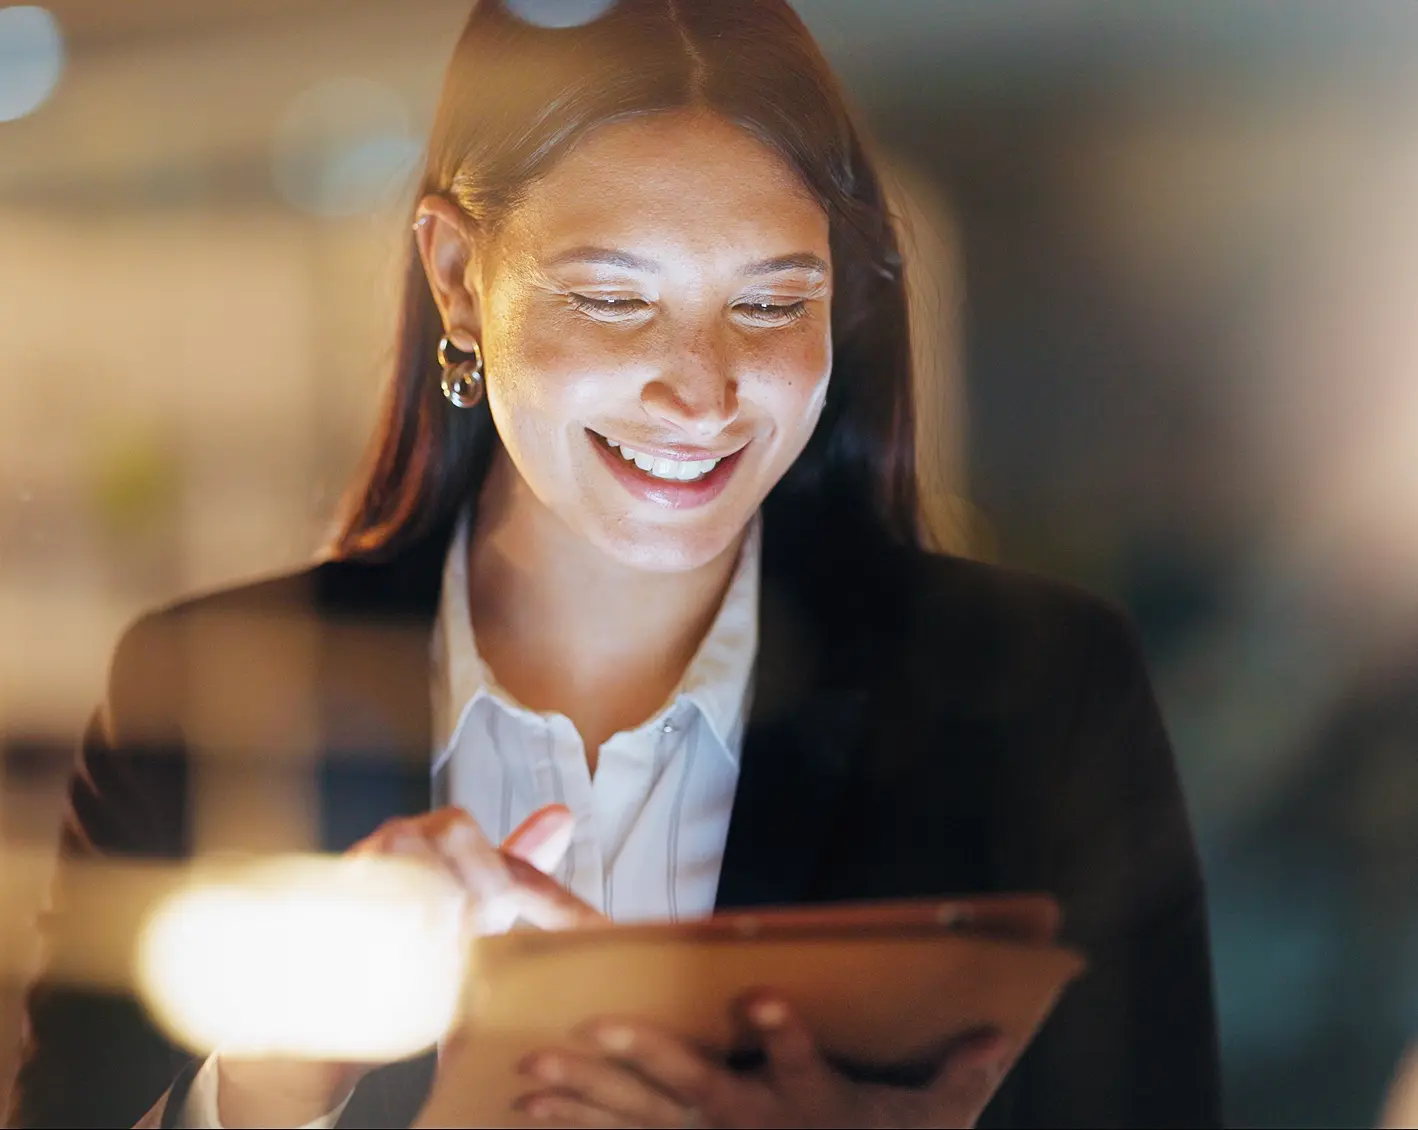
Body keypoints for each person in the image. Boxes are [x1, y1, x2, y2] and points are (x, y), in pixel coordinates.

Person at [8, 1, 1221, 1127]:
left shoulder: (1033, 689)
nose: (699, 390)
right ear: (456, 280)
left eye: (766, 305)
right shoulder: (217, 685)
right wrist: (274, 1074)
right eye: (610, 298)